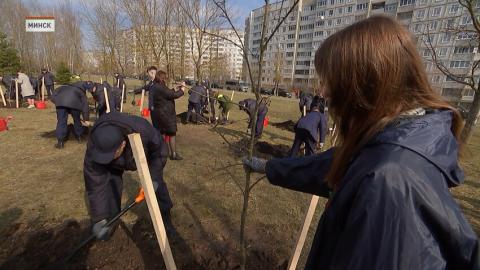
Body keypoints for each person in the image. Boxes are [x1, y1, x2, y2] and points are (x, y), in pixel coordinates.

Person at [243, 16, 479, 269]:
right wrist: (269, 168)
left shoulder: (389, 181)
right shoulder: (397, 140)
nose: (323, 92)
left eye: (331, 81)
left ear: (364, 85)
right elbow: (327, 166)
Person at [84, 112, 174, 240]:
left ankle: (166, 220)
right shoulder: (96, 143)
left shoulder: (144, 132)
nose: (107, 159)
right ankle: (109, 222)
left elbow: (160, 153)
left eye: (111, 155)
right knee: (111, 184)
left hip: (142, 154)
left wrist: (153, 177)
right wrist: (99, 218)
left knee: (157, 186)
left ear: (122, 144)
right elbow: (94, 181)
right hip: (116, 161)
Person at [150, 69, 185, 160]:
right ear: (163, 78)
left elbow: (167, 93)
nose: (166, 79)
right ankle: (172, 154)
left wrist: (175, 88)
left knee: (161, 133)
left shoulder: (155, 86)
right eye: (165, 78)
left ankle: (162, 153)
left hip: (158, 114)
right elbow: (173, 95)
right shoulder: (161, 87)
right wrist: (182, 90)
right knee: (171, 133)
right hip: (166, 115)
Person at [51, 81, 93, 148]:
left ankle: (60, 142)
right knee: (77, 120)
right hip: (75, 106)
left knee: (61, 122)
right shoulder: (81, 92)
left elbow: (53, 96)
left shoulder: (62, 87)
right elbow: (85, 106)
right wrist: (86, 119)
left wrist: (58, 102)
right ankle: (79, 137)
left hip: (61, 105)